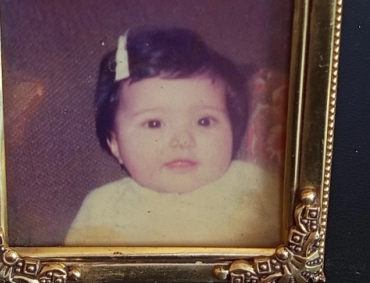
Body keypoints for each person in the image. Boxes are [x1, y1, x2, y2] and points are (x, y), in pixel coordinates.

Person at [65, 27, 281, 246]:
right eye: (154, 124)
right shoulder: (103, 208)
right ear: (115, 143)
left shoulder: (258, 187)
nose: (182, 140)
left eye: (204, 121)